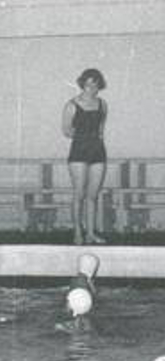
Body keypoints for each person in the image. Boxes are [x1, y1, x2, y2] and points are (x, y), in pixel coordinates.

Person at [62, 69, 108, 246]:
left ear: (99, 85)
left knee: (93, 196)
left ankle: (90, 233)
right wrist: (83, 137)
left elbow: (101, 129)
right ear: (82, 84)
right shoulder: (72, 105)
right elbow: (66, 131)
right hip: (79, 152)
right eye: (88, 84)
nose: (92, 88)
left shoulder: (103, 104)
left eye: (95, 84)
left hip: (98, 151)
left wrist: (94, 141)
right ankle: (77, 233)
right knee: (79, 194)